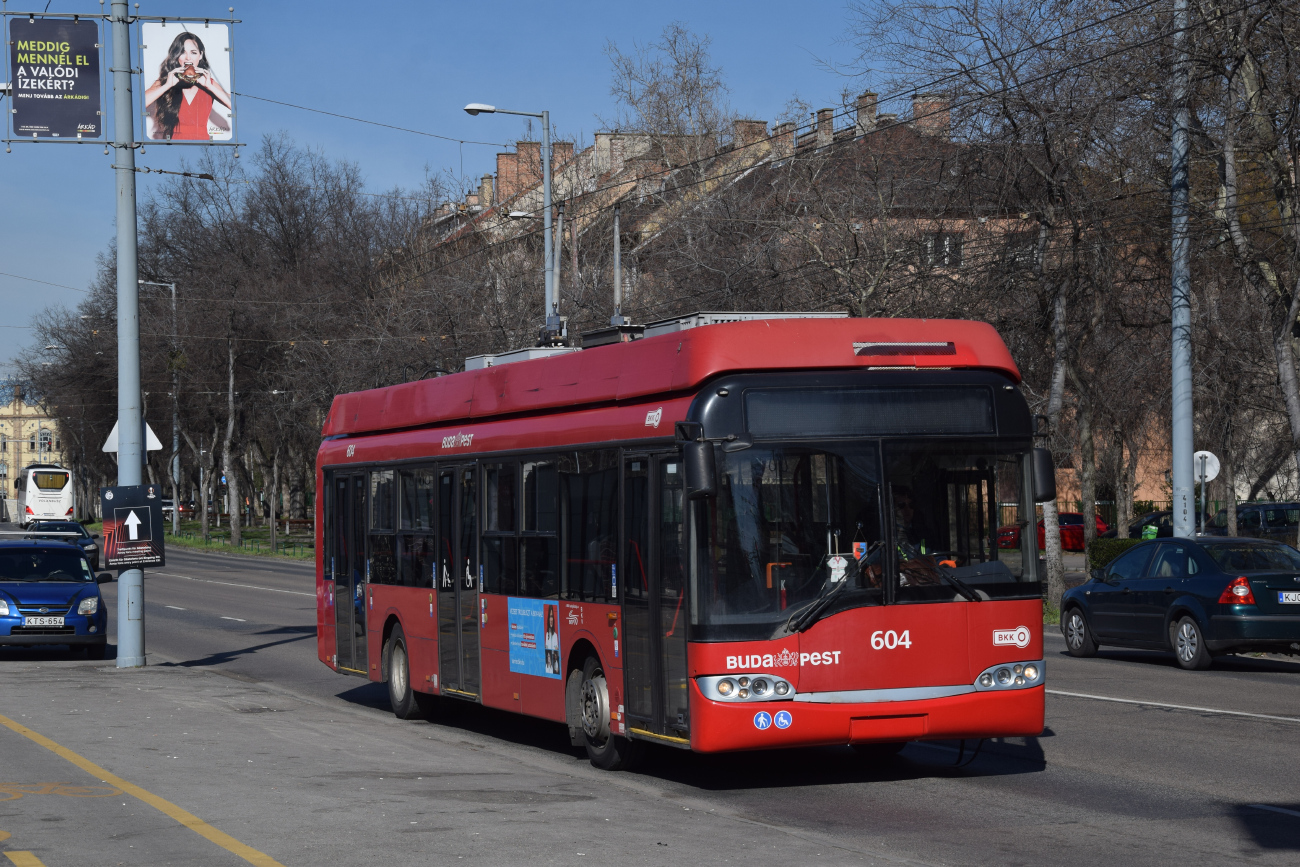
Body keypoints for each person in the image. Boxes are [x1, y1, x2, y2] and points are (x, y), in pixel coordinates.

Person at [144, 32, 232, 141]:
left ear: (200, 55)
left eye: (193, 52)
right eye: (182, 52)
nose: (188, 58)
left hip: (204, 149)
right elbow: (139, 103)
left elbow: (235, 107)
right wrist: (167, 85)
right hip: (175, 147)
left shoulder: (207, 82)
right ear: (176, 56)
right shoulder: (168, 80)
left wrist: (210, 86)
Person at [544, 604, 560, 674]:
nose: (551, 619)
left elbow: (556, 649)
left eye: (552, 617)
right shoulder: (546, 634)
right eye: (550, 617)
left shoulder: (556, 635)